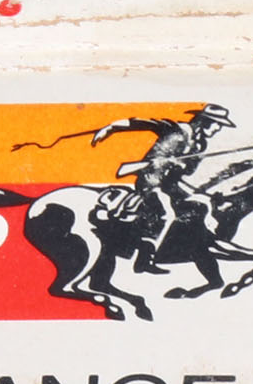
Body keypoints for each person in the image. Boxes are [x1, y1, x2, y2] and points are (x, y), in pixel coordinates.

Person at [91, 104, 236, 273]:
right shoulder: (179, 129)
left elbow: (188, 171)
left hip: (169, 184)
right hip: (151, 180)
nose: (218, 128)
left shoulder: (200, 144)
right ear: (205, 121)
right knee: (166, 212)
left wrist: (183, 165)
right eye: (217, 124)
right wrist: (111, 127)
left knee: (202, 203)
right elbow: (144, 123)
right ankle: (144, 260)